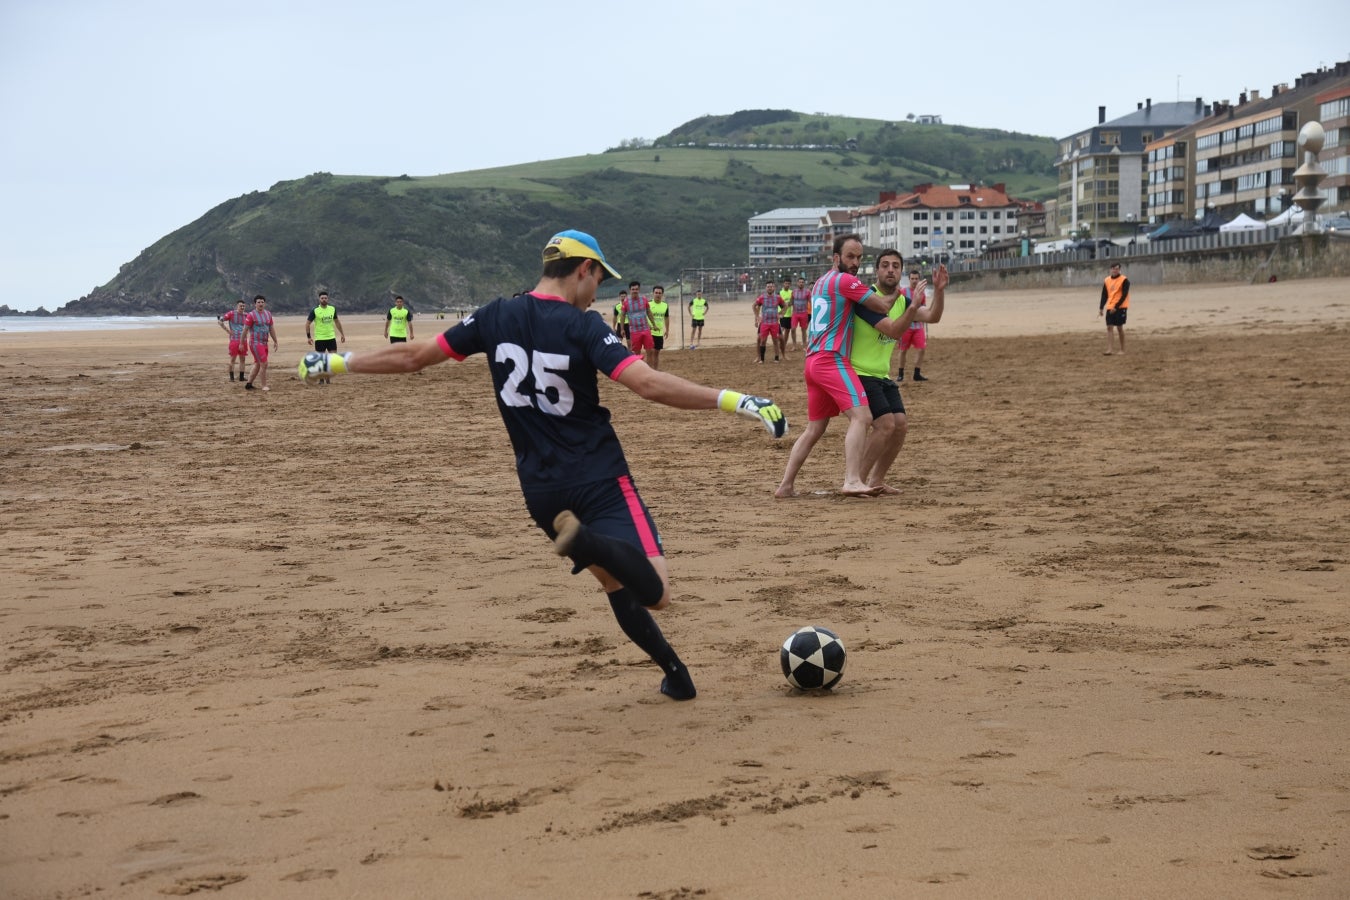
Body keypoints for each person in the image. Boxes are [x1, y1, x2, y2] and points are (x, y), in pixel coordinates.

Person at [296, 229, 787, 701]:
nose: (596, 295)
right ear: (584, 270)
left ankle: (674, 674)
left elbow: (415, 358)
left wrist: (337, 362)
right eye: (599, 282)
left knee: (615, 582)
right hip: (600, 479)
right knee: (655, 591)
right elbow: (648, 384)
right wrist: (735, 399)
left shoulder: (493, 316)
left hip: (542, 493)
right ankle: (592, 543)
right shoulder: (584, 326)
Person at [775, 234, 945, 498]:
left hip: (813, 359)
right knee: (863, 417)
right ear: (835, 258)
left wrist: (929, 294)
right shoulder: (845, 281)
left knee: (815, 429)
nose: (855, 263)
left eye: (858, 258)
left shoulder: (821, 282)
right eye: (850, 257)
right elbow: (883, 307)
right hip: (832, 358)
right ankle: (853, 480)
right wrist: (906, 297)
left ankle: (785, 486)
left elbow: (928, 315)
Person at [854, 251, 946, 494]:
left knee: (901, 425)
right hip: (859, 372)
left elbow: (933, 317)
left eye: (896, 266)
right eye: (885, 265)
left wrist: (939, 290)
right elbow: (894, 331)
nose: (891, 270)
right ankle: (856, 481)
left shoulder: (903, 301)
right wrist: (914, 305)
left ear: (901, 272)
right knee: (885, 424)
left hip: (882, 375)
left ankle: (876, 481)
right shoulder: (867, 297)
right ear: (877, 271)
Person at [896, 269, 930, 382]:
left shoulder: (922, 293)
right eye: (912, 279)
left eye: (916, 279)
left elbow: (924, 308)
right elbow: (898, 309)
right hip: (906, 327)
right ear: (909, 279)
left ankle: (917, 373)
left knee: (921, 349)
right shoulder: (903, 292)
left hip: (918, 326)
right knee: (903, 350)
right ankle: (900, 374)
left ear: (919, 279)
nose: (914, 281)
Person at [305, 291, 346, 385]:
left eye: (325, 298)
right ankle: (321, 379)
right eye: (322, 298)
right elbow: (307, 324)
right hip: (320, 339)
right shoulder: (315, 311)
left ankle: (328, 378)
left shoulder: (332, 309)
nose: (324, 300)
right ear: (319, 299)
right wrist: (309, 337)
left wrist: (342, 334)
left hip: (331, 338)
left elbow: (337, 322)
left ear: (328, 299)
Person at [242, 294, 278, 391]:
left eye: (262, 302)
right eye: (258, 302)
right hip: (255, 343)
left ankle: (249, 384)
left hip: (264, 343)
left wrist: (275, 341)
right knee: (264, 364)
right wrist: (241, 343)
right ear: (255, 304)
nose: (261, 304)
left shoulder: (268, 314)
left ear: (264, 303)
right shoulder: (251, 315)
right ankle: (264, 385)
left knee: (258, 364)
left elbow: (271, 328)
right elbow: (245, 330)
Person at [1100, 262, 1129, 355]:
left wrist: (1116, 307)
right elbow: (1104, 295)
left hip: (1120, 307)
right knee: (1109, 327)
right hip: (1110, 306)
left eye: (1116, 268)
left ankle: (1122, 349)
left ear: (1119, 269)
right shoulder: (1107, 280)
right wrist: (1101, 307)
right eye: (1113, 268)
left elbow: (1124, 295)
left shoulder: (1124, 280)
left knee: (1119, 328)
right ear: (1110, 269)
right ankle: (1109, 349)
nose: (1114, 270)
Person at [218, 299, 249, 381]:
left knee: (243, 359)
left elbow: (251, 325)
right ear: (237, 306)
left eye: (243, 306)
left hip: (244, 340)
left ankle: (241, 377)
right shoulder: (231, 314)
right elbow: (220, 321)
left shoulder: (247, 315)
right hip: (234, 340)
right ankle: (231, 378)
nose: (242, 307)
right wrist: (228, 331)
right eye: (240, 306)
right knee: (233, 359)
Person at [753, 280, 782, 363]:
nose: (770, 288)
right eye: (768, 287)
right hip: (764, 322)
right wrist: (756, 317)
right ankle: (761, 358)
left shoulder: (778, 298)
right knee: (762, 340)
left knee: (775, 340)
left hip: (774, 323)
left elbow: (785, 305)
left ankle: (777, 358)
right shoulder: (762, 298)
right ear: (766, 288)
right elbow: (755, 306)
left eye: (771, 286)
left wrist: (780, 313)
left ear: (774, 288)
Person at [623, 281, 653, 360]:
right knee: (637, 354)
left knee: (650, 351)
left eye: (636, 289)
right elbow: (622, 315)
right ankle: (640, 370)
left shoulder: (644, 299)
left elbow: (649, 312)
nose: (635, 291)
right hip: (634, 331)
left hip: (645, 329)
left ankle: (650, 370)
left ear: (639, 290)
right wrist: (622, 329)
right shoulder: (626, 302)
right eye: (633, 289)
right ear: (630, 290)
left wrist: (654, 324)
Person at [647, 285, 669, 370]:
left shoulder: (665, 305)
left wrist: (667, 330)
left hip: (659, 333)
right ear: (653, 293)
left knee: (656, 353)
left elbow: (666, 318)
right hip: (649, 332)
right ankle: (649, 371)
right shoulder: (648, 304)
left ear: (662, 294)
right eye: (656, 293)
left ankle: (655, 371)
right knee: (650, 352)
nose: (658, 294)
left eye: (660, 293)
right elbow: (643, 316)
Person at [789, 277, 811, 352]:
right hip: (795, 313)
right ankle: (794, 345)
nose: (801, 283)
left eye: (802, 282)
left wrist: (813, 311)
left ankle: (804, 346)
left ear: (804, 283)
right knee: (792, 329)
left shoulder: (807, 292)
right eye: (800, 282)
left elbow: (810, 302)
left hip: (804, 313)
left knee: (803, 330)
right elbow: (791, 302)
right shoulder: (794, 292)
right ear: (797, 283)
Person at [777, 281, 794, 357]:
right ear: (783, 284)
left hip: (790, 315)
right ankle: (777, 345)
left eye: (788, 283)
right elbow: (778, 303)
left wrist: (790, 303)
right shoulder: (780, 292)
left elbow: (792, 302)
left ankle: (784, 345)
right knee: (781, 330)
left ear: (790, 285)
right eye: (785, 283)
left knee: (787, 331)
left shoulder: (792, 292)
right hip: (782, 315)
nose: (787, 285)